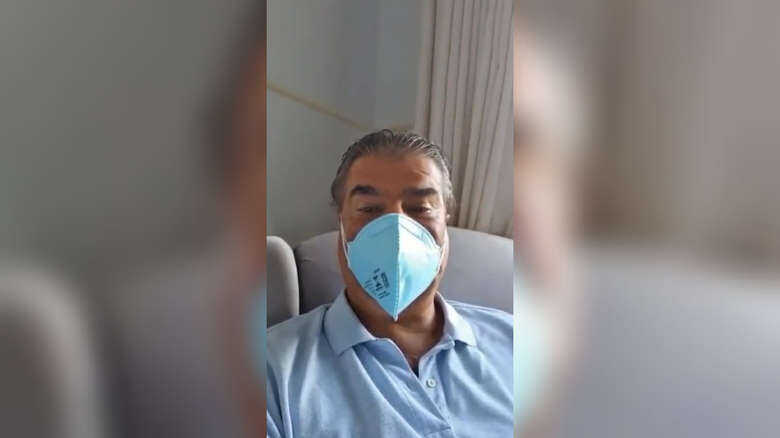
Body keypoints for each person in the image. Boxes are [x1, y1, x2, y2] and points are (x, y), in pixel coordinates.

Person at [266, 130, 513, 437]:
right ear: (340, 224)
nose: (397, 231)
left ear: (445, 221)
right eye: (369, 209)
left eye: (420, 208)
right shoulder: (269, 370)